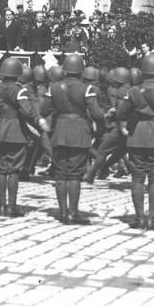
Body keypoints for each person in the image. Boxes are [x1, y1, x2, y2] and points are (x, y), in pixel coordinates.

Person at [40, 54, 106, 224]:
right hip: (79, 131)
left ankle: (62, 212)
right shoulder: (87, 88)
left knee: (60, 173)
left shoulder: (53, 87)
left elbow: (44, 110)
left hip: (59, 130)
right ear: (81, 71)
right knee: (75, 174)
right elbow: (97, 113)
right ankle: (73, 213)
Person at [116, 54, 154, 230]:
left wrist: (126, 126)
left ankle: (139, 218)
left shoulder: (133, 91)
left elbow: (121, 113)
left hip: (137, 134)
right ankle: (153, 219)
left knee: (137, 178)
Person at [0, 58, 39, 217]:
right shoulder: (20, 90)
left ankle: (1, 206)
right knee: (14, 170)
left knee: (1, 170)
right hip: (15, 131)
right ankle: (11, 206)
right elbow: (27, 112)